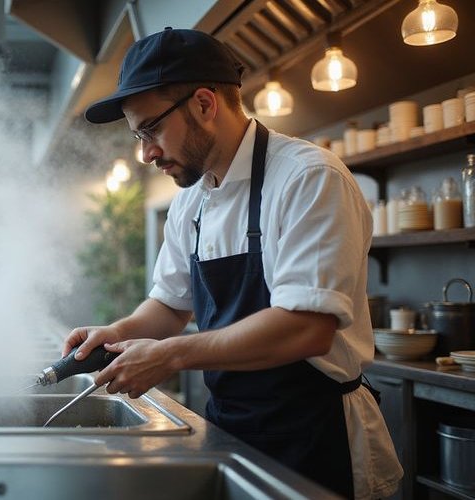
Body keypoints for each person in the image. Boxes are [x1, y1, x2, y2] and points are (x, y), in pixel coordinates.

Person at [64, 27, 403, 499]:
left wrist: (171, 354)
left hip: (315, 435)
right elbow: (168, 305)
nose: (146, 154)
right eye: (138, 136)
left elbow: (307, 328)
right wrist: (119, 333)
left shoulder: (308, 179)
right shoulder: (193, 202)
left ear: (205, 104)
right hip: (230, 428)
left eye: (151, 130)